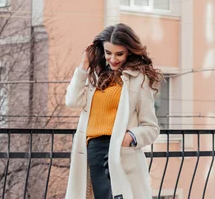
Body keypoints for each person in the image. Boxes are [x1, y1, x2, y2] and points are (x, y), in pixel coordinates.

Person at [65, 23, 163, 199]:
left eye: (119, 54)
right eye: (108, 53)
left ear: (129, 52)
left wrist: (130, 137)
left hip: (120, 151)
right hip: (93, 150)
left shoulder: (138, 79)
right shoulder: (96, 75)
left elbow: (151, 128)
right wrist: (83, 66)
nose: (113, 59)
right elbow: (72, 102)